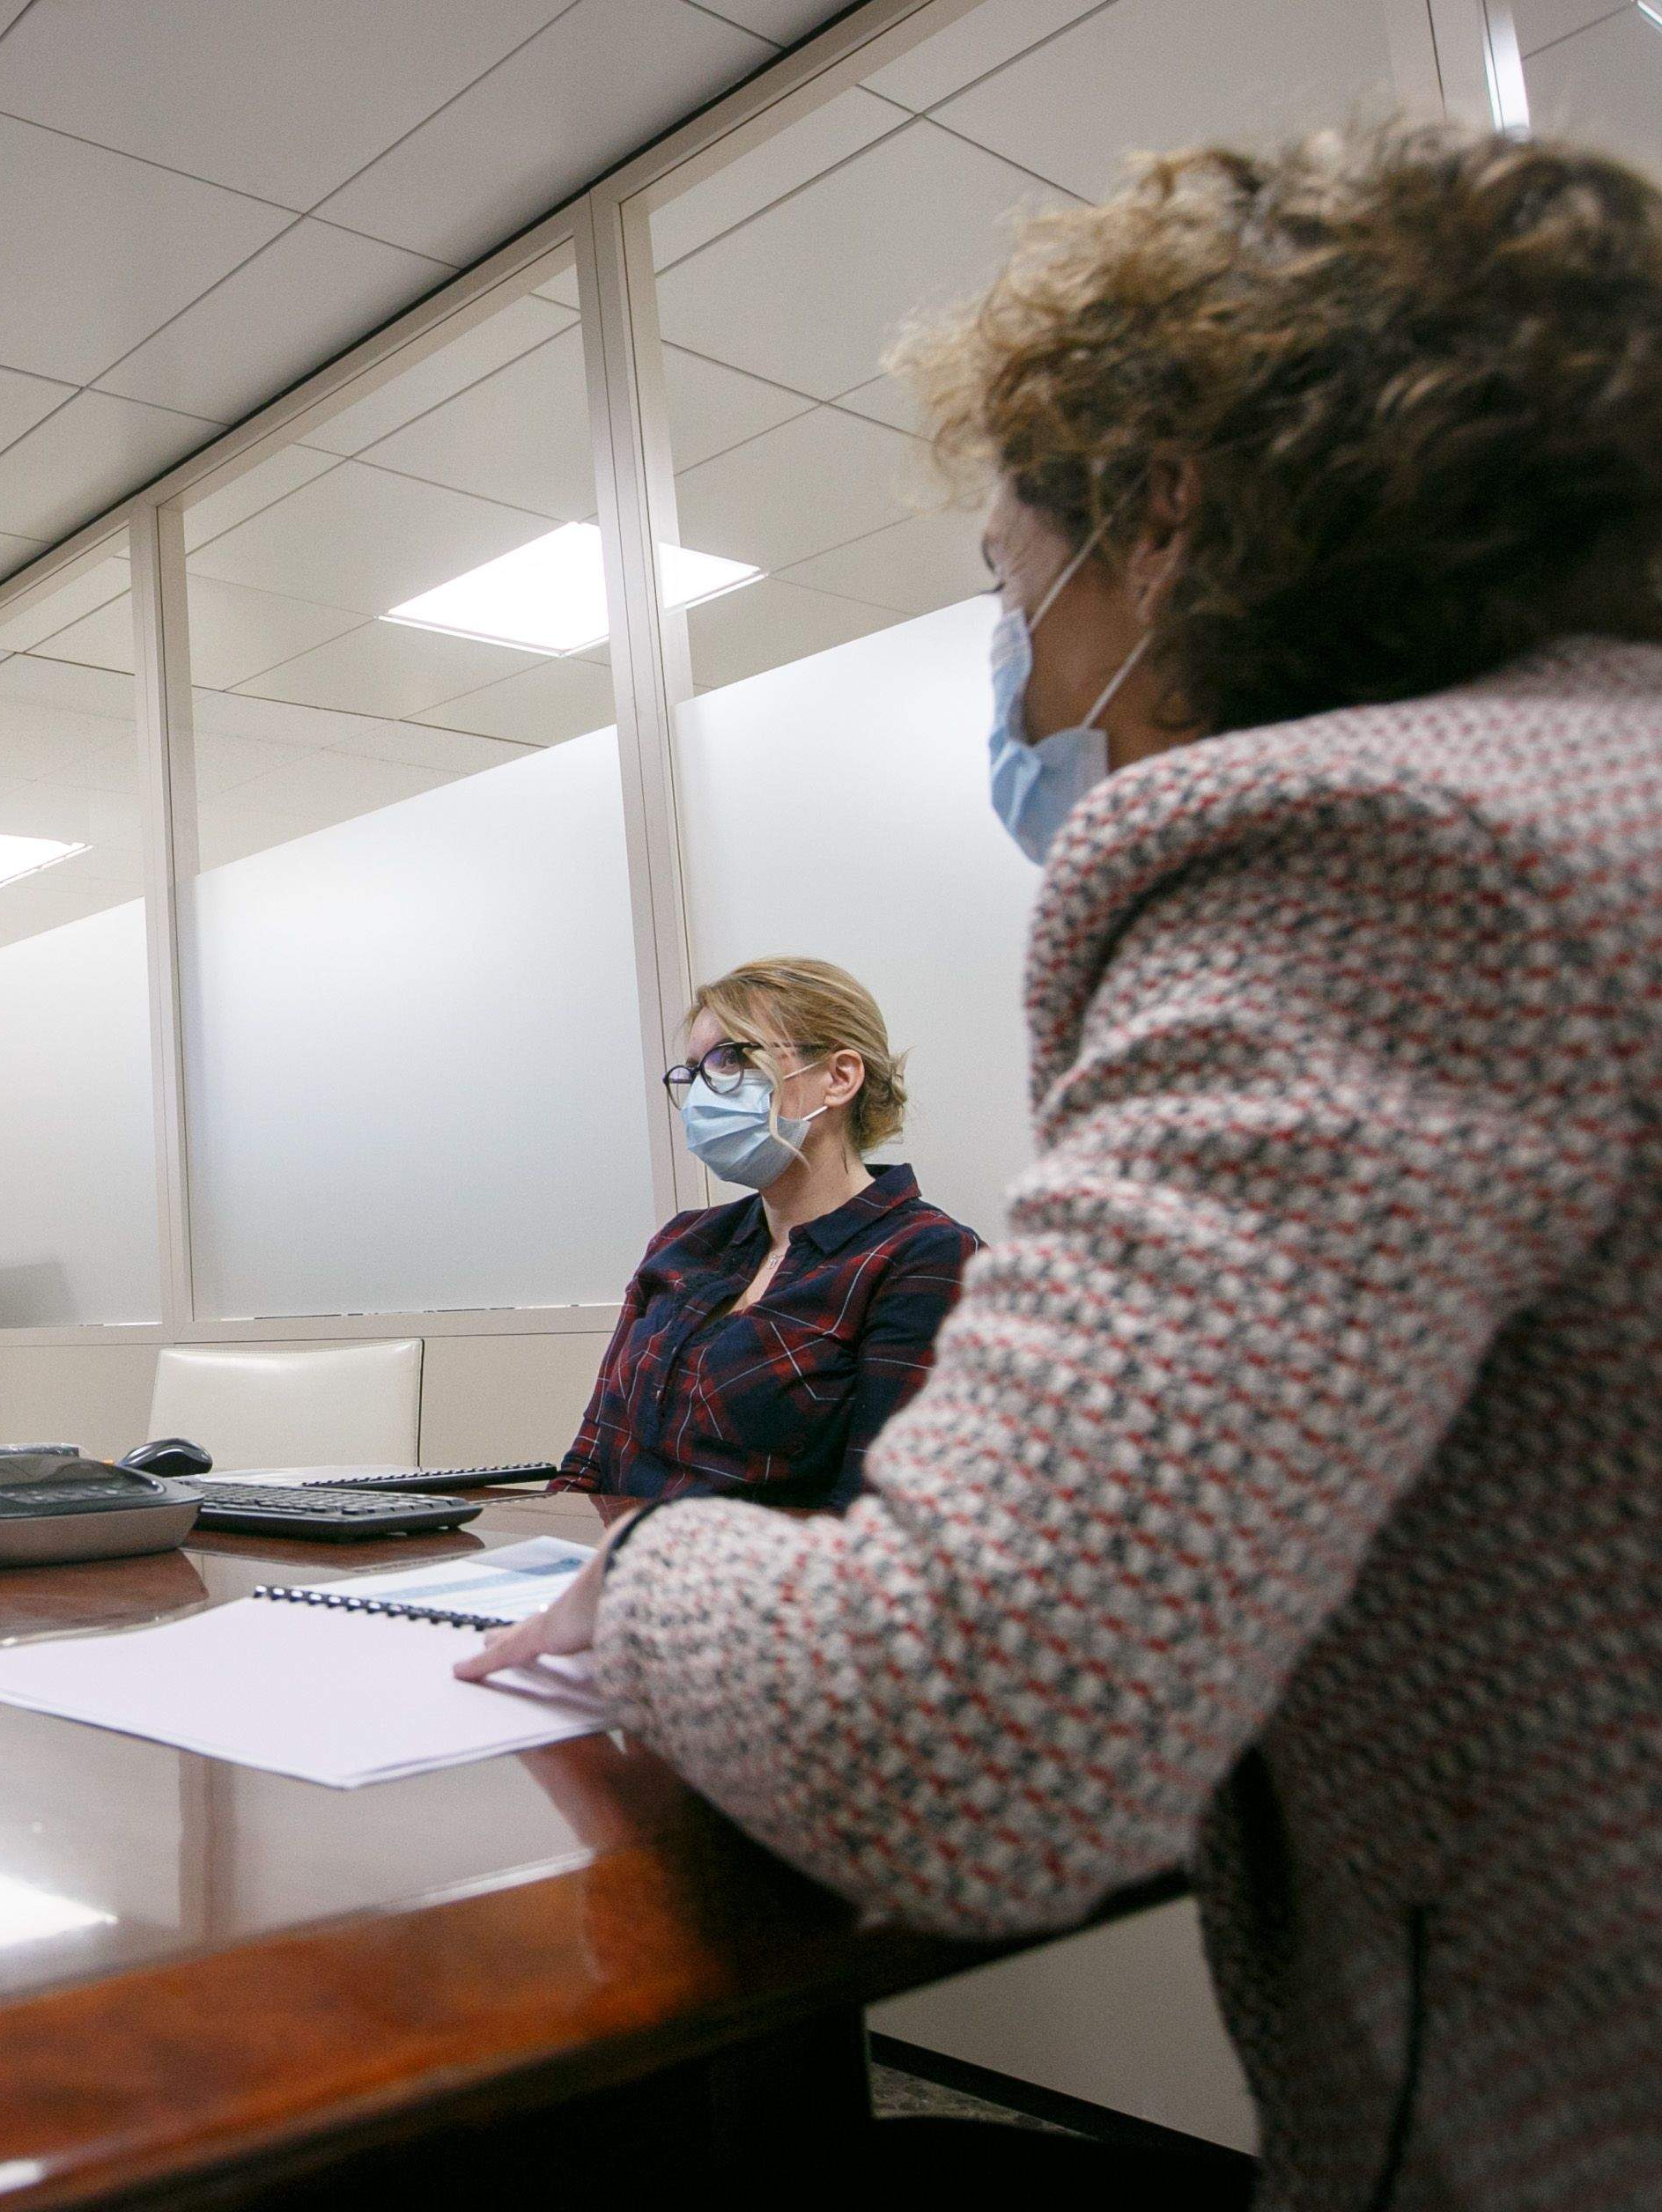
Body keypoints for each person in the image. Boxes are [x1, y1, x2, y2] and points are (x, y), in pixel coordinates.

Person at [462, 122, 1662, 2206]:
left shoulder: (1378, 848)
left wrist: (643, 1570)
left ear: (1168, 519)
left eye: (1015, 586)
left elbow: (959, 1733)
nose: (1018, 676)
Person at [562, 957, 975, 1512]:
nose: (704, 1093)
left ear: (839, 1076)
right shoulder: (685, 1242)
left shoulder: (926, 1257)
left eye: (731, 1058)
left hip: (766, 1587)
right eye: (693, 1070)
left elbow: (877, 1514)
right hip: (611, 1574)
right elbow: (591, 1460)